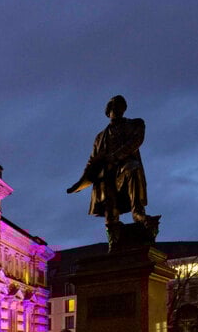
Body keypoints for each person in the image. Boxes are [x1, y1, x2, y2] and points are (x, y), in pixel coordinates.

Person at [67, 95, 157, 234]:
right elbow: (93, 161)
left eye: (120, 106)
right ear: (108, 111)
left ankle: (138, 212)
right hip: (108, 174)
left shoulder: (135, 124)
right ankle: (112, 223)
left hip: (124, 166)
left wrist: (115, 156)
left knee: (132, 166)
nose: (117, 109)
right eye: (114, 107)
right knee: (104, 181)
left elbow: (136, 141)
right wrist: (80, 184)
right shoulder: (100, 137)